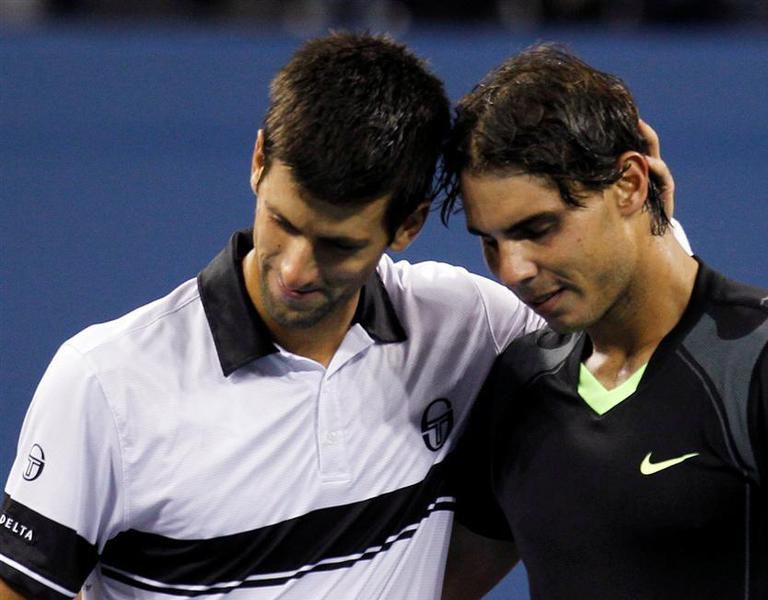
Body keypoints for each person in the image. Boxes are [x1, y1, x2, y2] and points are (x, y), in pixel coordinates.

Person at [0, 33, 551, 600]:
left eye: (338, 246)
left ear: (408, 225)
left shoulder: (471, 326)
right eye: (282, 222)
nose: (295, 270)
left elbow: (607, 349)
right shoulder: (103, 383)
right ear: (259, 161)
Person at [440, 44, 768, 599]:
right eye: (491, 242)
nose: (512, 270)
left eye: (538, 229)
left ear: (630, 184)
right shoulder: (519, 383)